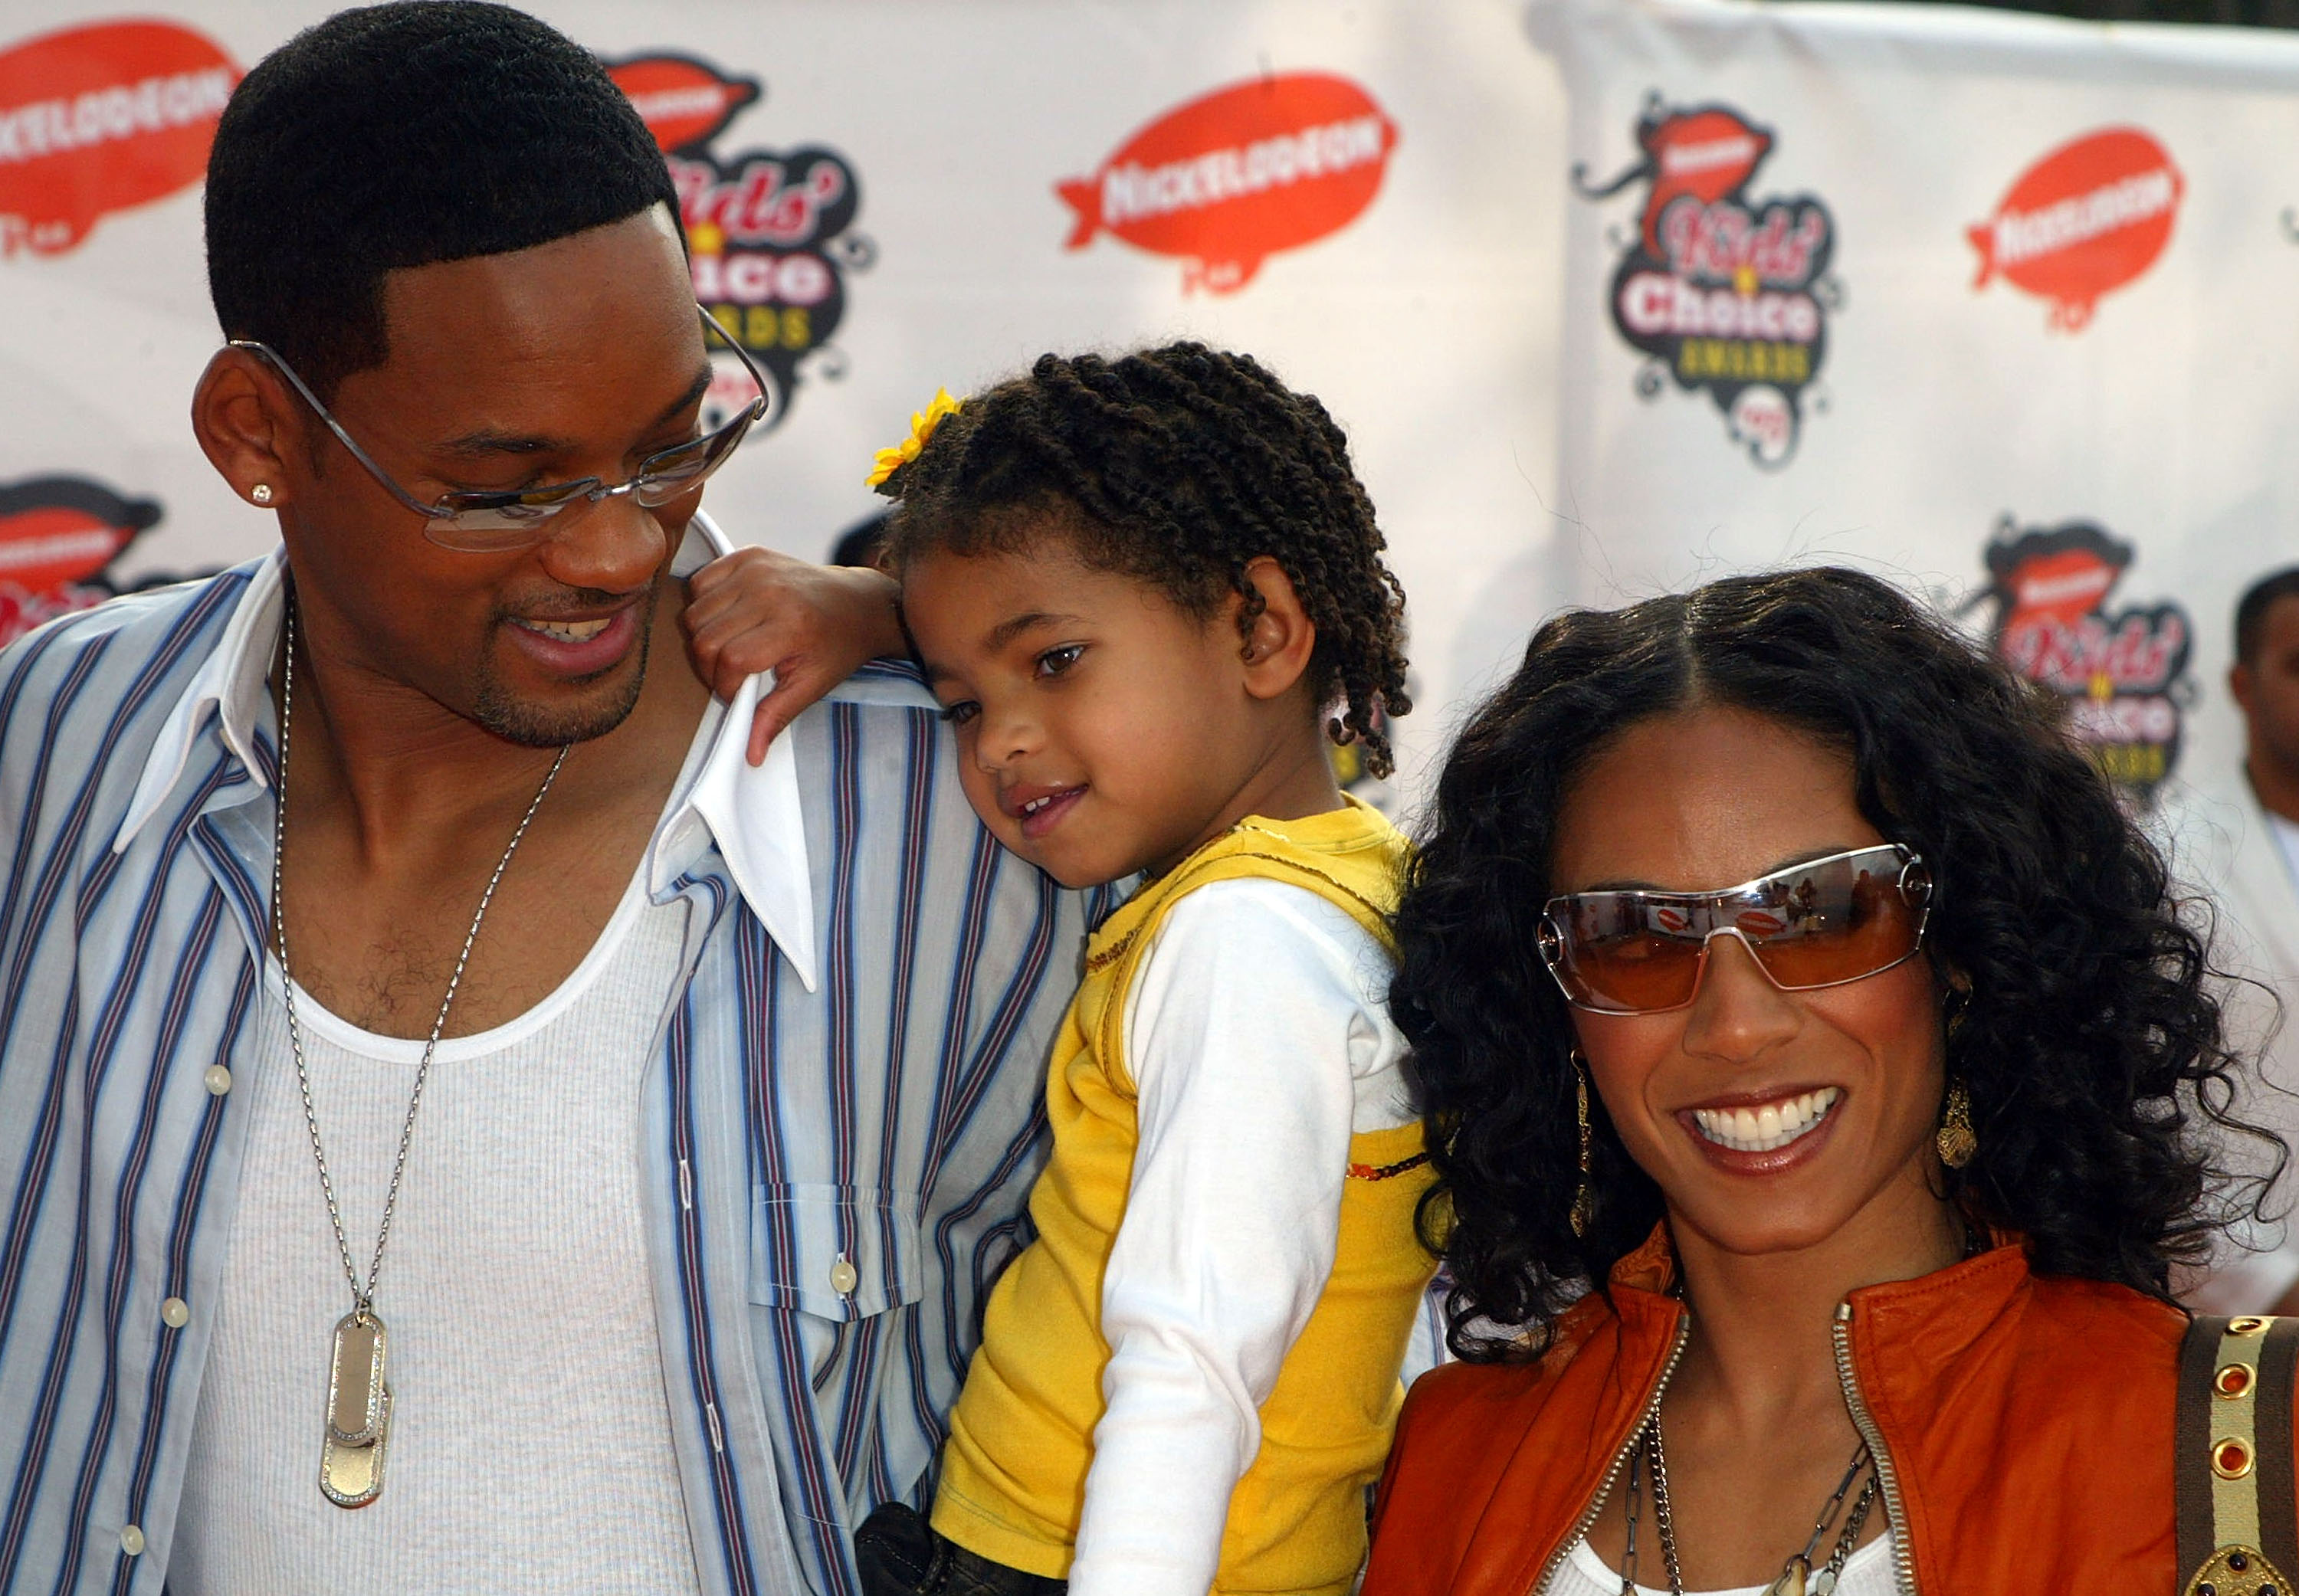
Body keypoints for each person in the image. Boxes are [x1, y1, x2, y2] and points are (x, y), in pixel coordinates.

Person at [0, 8, 1110, 1594]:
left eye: (672, 446)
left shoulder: (956, 818)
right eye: (505, 486)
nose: (616, 547)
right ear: (259, 435)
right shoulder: (59, 743)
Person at [1360, 567, 2284, 1593]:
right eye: (1634, 937)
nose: (1738, 1022)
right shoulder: (1450, 1464)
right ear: (1554, 1008)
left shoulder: (2236, 1449)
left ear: (1966, 948)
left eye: (1825, 911)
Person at [835, 346, 1437, 1596]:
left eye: (1054, 659)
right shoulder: (1356, 879)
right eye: (957, 701)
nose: (1000, 737)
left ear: (1263, 627)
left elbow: (1193, 1348)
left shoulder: (1243, 940)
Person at [2166, 566, 2299, 1314]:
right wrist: (2273, 1287)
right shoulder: (2171, 865)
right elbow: (2149, 1136)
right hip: (2249, 1333)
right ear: (2243, 687)